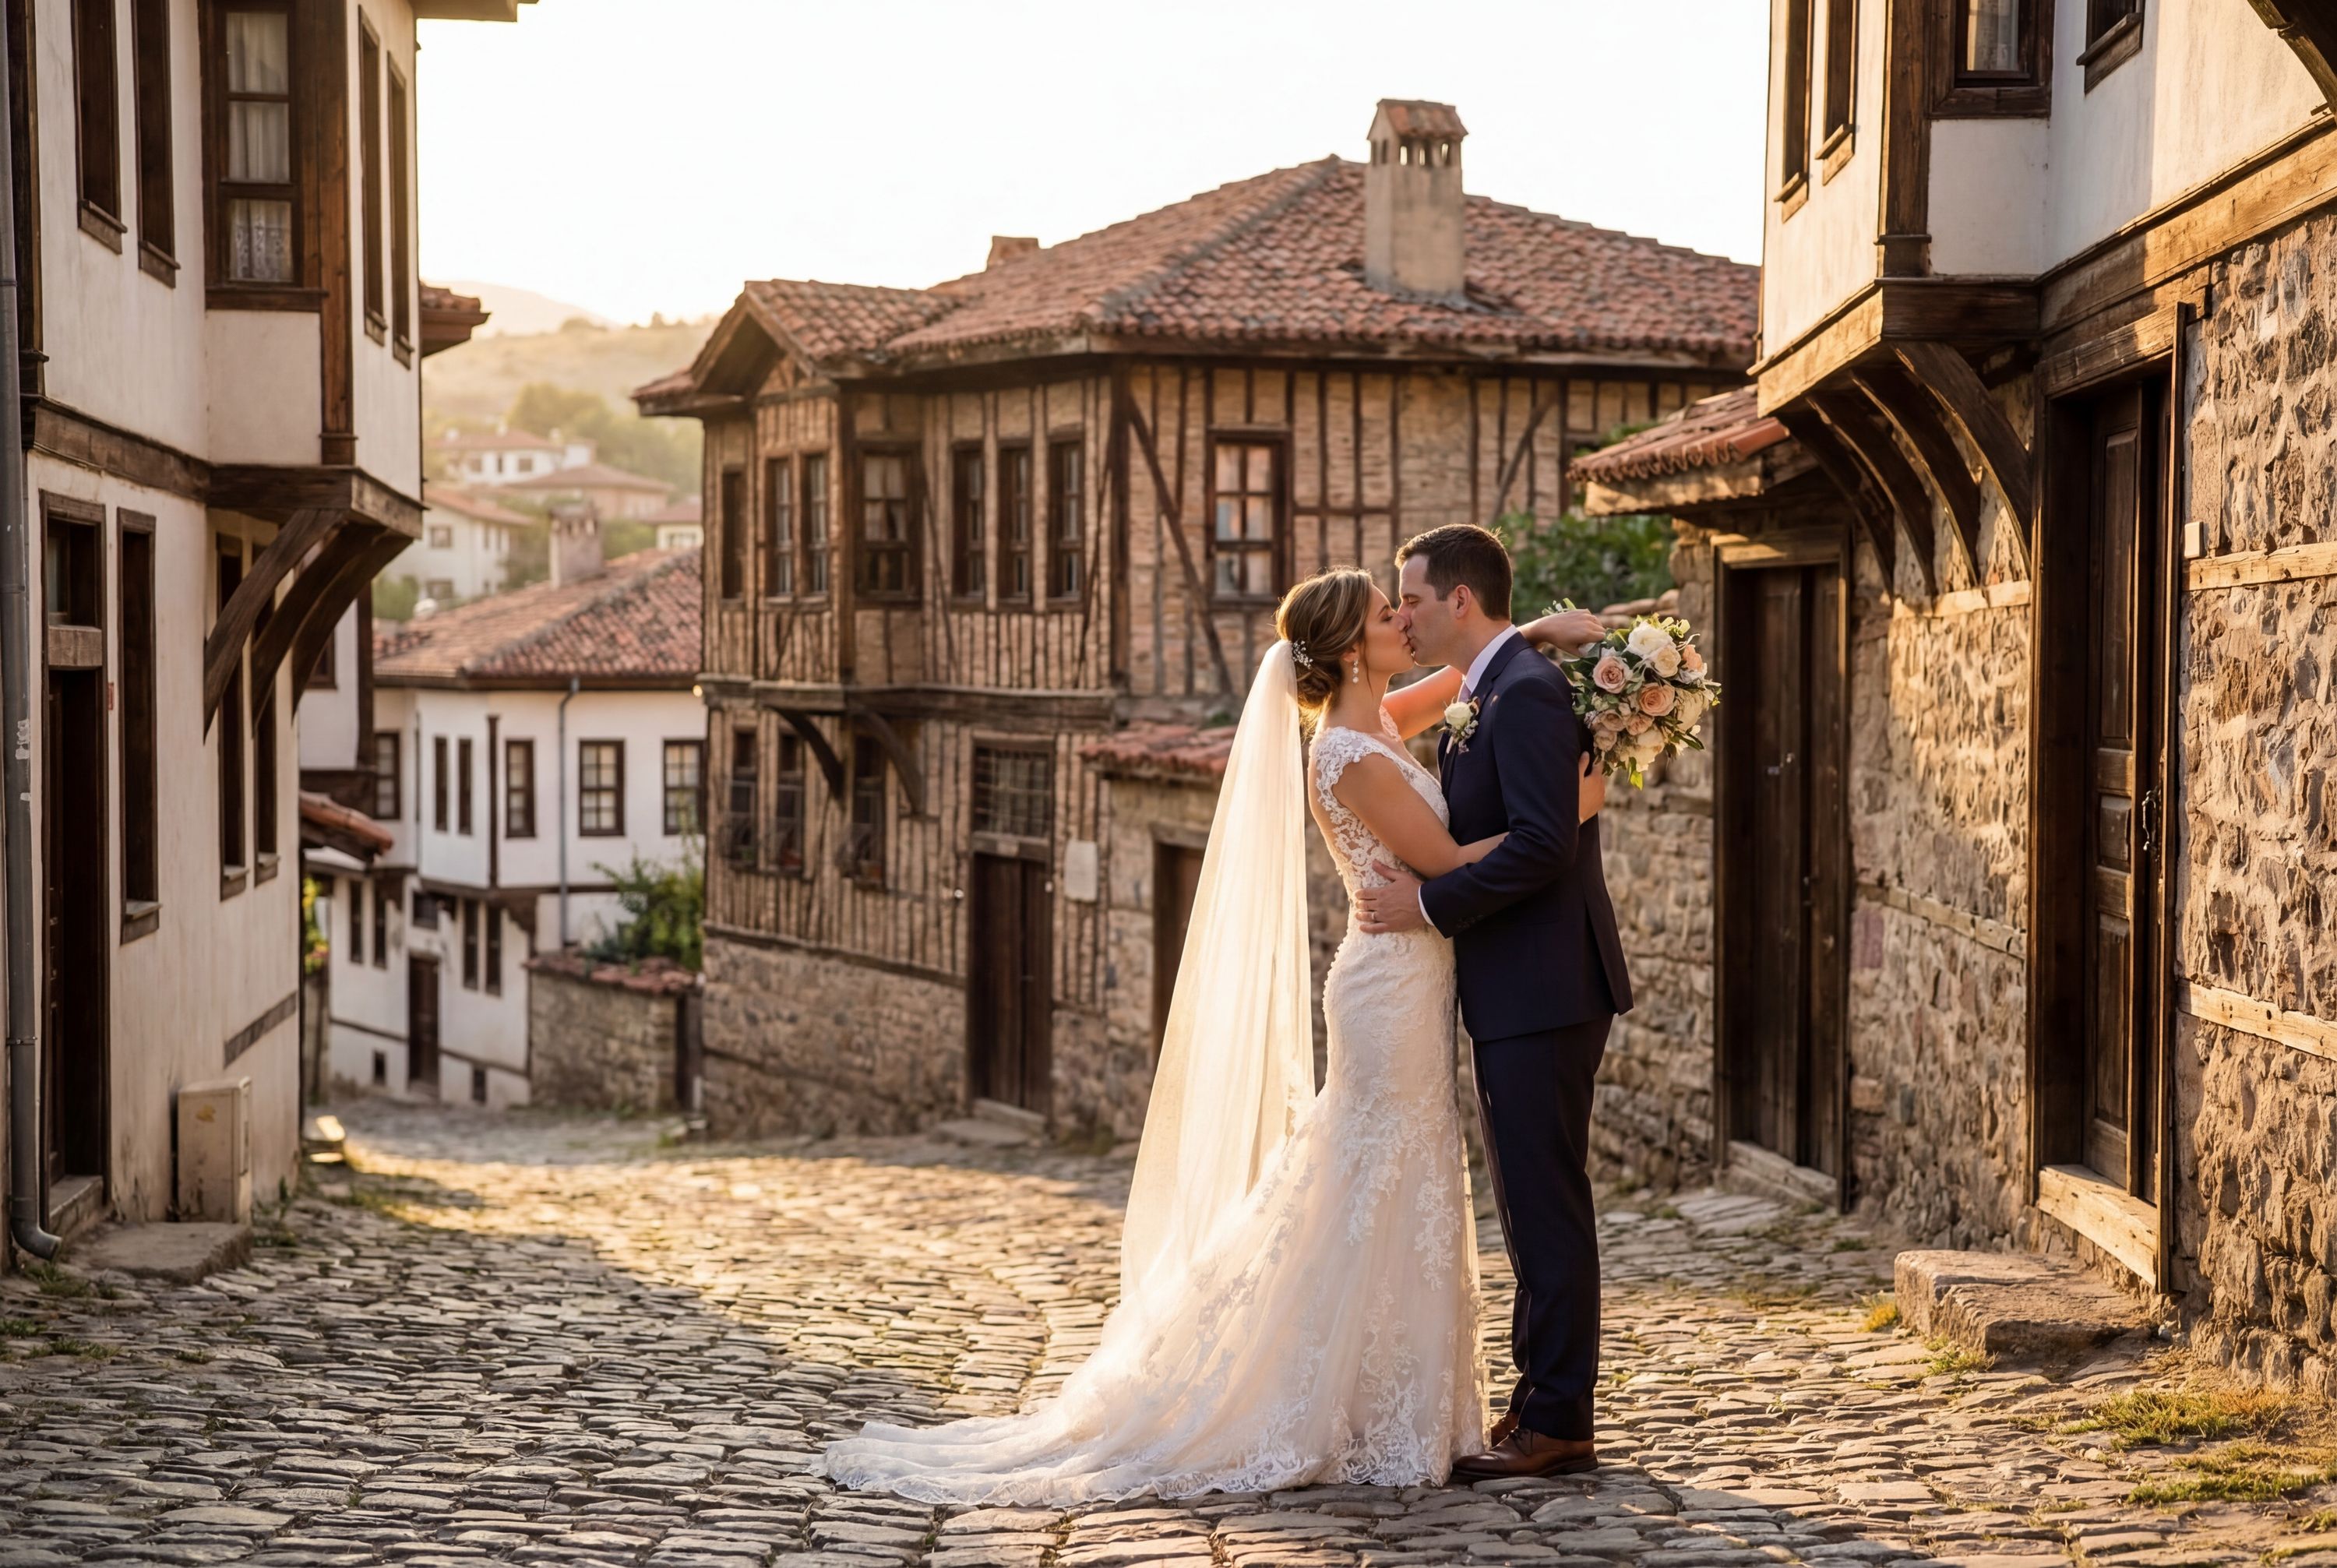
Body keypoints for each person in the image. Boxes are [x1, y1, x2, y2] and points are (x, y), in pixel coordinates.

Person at [817, 564, 1605, 1505]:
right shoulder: (1348, 754)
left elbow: (1461, 686)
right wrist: (1570, 818)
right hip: (1390, 985)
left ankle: (1375, 1391)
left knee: (1390, 1178)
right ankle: (1310, 1393)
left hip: (1407, 975)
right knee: (1373, 1173)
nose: (1403, 620)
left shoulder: (1377, 723)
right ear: (1355, 648)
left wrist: (1539, 634)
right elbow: (1440, 864)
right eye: (1385, 613)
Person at [1355, 523, 1634, 1481]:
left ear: (1461, 600)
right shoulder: (1494, 689)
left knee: (1546, 1206)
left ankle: (1558, 1422)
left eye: (1416, 600)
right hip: (1522, 985)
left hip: (1545, 986)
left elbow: (1544, 844)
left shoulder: (1520, 696)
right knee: (1529, 1204)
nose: (1406, 617)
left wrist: (1428, 902)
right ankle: (1539, 1403)